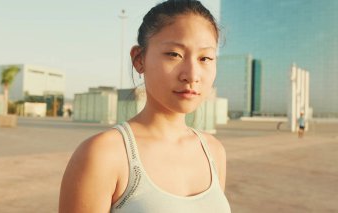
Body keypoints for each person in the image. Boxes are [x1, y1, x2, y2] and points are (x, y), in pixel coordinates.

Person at [59, 0, 231, 212]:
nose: (192, 75)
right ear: (139, 59)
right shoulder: (105, 153)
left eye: (205, 58)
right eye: (174, 54)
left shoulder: (214, 151)